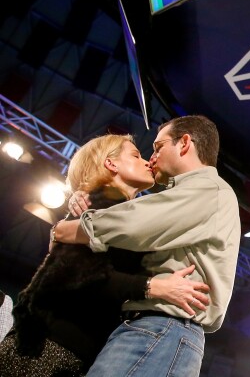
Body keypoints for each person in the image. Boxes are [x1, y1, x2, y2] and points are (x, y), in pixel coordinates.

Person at [0, 134, 210, 377]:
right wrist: (152, 286)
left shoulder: (119, 213)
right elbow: (73, 274)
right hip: (44, 349)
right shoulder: (98, 205)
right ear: (111, 164)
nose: (146, 162)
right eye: (135, 156)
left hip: (64, 352)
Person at [53, 115, 241, 377]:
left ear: (184, 143)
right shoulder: (190, 195)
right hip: (159, 330)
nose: (151, 157)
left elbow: (135, 223)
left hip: (161, 328)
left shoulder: (209, 189)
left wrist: (74, 227)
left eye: (157, 147)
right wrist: (85, 197)